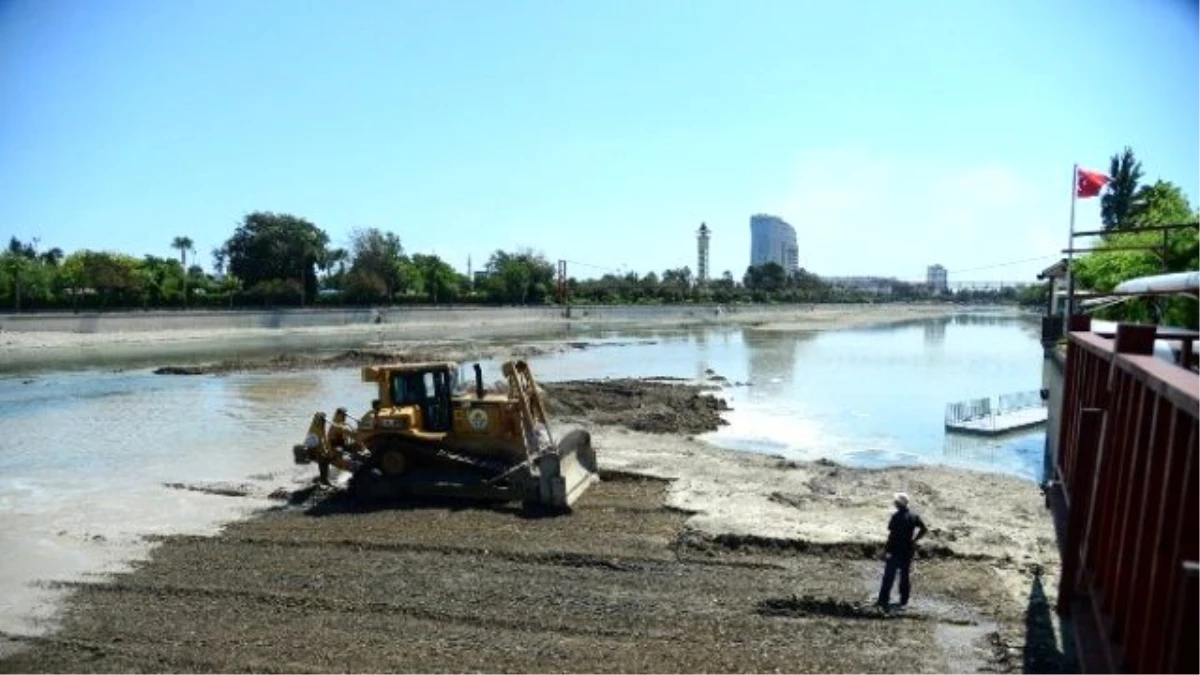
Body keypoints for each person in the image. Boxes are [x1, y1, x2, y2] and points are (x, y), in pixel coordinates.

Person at [877, 492, 927, 609]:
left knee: (889, 576)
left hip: (895, 550)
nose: (894, 503)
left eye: (896, 502)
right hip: (908, 550)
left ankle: (883, 600)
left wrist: (885, 551)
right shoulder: (914, 516)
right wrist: (914, 541)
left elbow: (892, 536)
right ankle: (903, 601)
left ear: (899, 504)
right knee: (905, 577)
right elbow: (924, 529)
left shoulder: (896, 517)